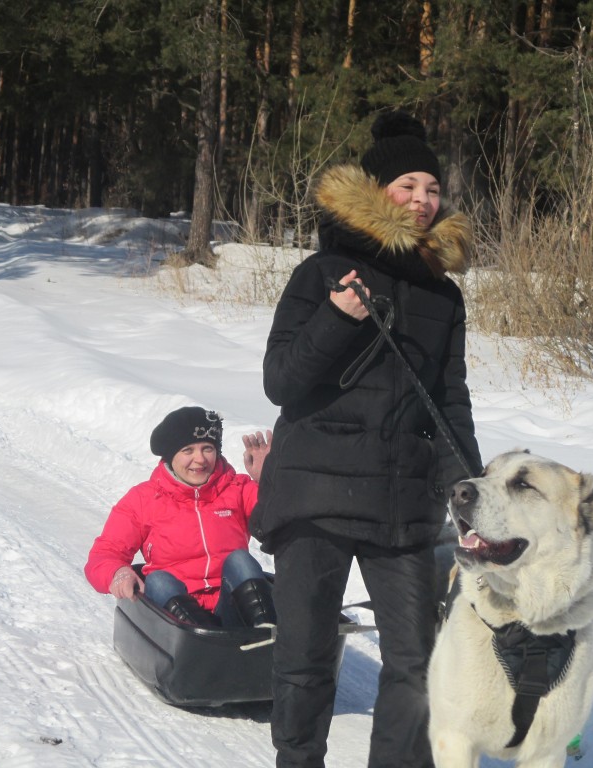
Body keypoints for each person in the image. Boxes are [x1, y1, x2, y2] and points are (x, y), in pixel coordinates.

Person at [250, 111, 482, 768]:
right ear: (378, 192)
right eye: (408, 185)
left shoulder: (444, 296)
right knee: (305, 658)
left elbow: (449, 400)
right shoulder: (321, 273)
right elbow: (280, 382)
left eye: (431, 188)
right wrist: (336, 317)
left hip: (401, 504)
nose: (422, 199)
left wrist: (472, 494)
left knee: (418, 663)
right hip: (315, 497)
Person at [85, 406, 277, 629]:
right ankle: (200, 640)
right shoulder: (143, 499)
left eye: (207, 448)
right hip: (176, 607)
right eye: (188, 450)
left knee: (240, 560)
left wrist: (268, 481)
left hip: (232, 603)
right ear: (170, 455)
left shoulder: (237, 488)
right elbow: (105, 553)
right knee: (158, 580)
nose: (200, 459)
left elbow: (279, 523)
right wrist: (117, 574)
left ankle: (265, 633)